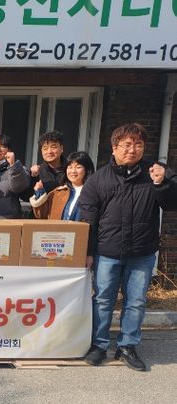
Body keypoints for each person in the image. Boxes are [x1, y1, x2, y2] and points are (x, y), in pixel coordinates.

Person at [80, 123, 177, 371]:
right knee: (103, 300)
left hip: (142, 252)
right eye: (126, 144)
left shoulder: (155, 173)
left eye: (138, 145)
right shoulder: (98, 179)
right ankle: (99, 345)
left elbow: (171, 204)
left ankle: (127, 346)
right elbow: (89, 219)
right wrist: (88, 251)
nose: (132, 150)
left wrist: (162, 184)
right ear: (114, 148)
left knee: (136, 301)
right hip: (107, 252)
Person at [29, 151, 94, 220]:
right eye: (70, 167)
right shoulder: (58, 193)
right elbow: (42, 215)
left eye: (78, 167)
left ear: (87, 170)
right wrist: (40, 192)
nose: (73, 171)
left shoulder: (93, 193)